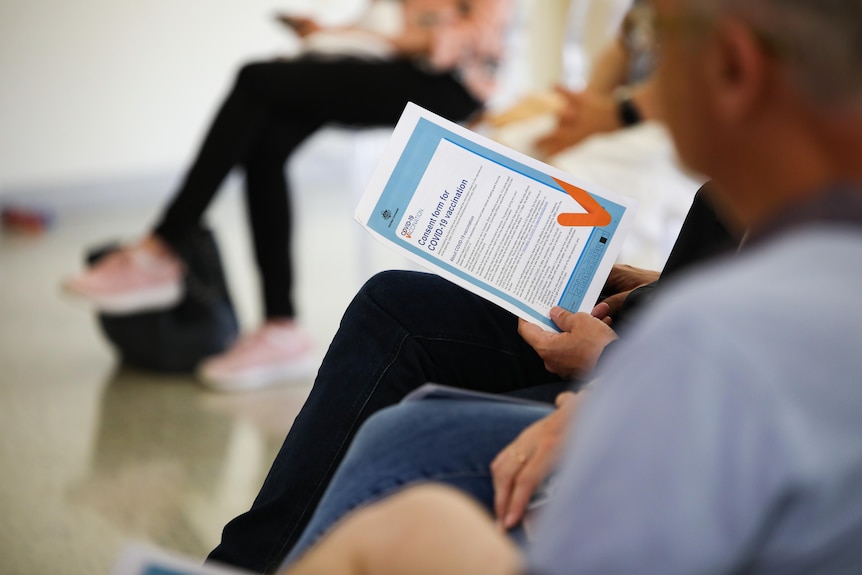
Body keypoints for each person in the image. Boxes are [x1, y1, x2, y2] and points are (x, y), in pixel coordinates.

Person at [264, 0, 862, 572]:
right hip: (637, 323)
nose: (646, 68)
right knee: (397, 305)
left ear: (733, 66)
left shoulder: (712, 343)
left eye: (658, 40)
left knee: (406, 451)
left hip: (628, 354)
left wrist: (612, 371)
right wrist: (644, 282)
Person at [63, 0, 513, 392]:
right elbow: (384, 28)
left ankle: (163, 248)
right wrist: (331, 37)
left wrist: (360, 36)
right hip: (393, 67)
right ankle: (281, 329)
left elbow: (458, 40)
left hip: (451, 85)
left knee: (257, 79)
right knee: (266, 140)